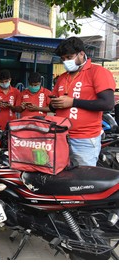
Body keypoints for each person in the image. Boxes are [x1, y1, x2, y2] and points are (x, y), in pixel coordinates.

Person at [50, 36, 116, 166]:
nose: (65, 62)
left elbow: (108, 104)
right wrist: (53, 104)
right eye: (63, 59)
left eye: (69, 57)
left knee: (83, 182)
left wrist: (73, 102)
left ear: (81, 54)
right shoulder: (62, 78)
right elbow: (53, 108)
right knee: (62, 179)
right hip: (61, 137)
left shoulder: (97, 72)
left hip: (84, 139)